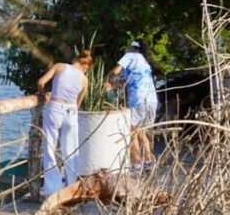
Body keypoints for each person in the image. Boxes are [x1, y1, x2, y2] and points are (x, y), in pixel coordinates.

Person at [35, 50, 92, 196]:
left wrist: (42, 94)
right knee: (71, 151)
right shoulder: (84, 80)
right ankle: (71, 189)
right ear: (86, 66)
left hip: (54, 108)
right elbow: (78, 103)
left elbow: (41, 82)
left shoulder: (60, 67)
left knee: (49, 149)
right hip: (71, 112)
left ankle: (52, 189)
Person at [106, 41, 158, 173]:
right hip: (152, 100)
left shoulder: (130, 55)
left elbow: (115, 71)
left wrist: (108, 78)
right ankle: (148, 162)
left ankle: (135, 164)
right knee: (141, 131)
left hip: (138, 100)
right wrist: (116, 83)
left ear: (133, 48)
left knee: (131, 131)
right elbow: (128, 80)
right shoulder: (144, 62)